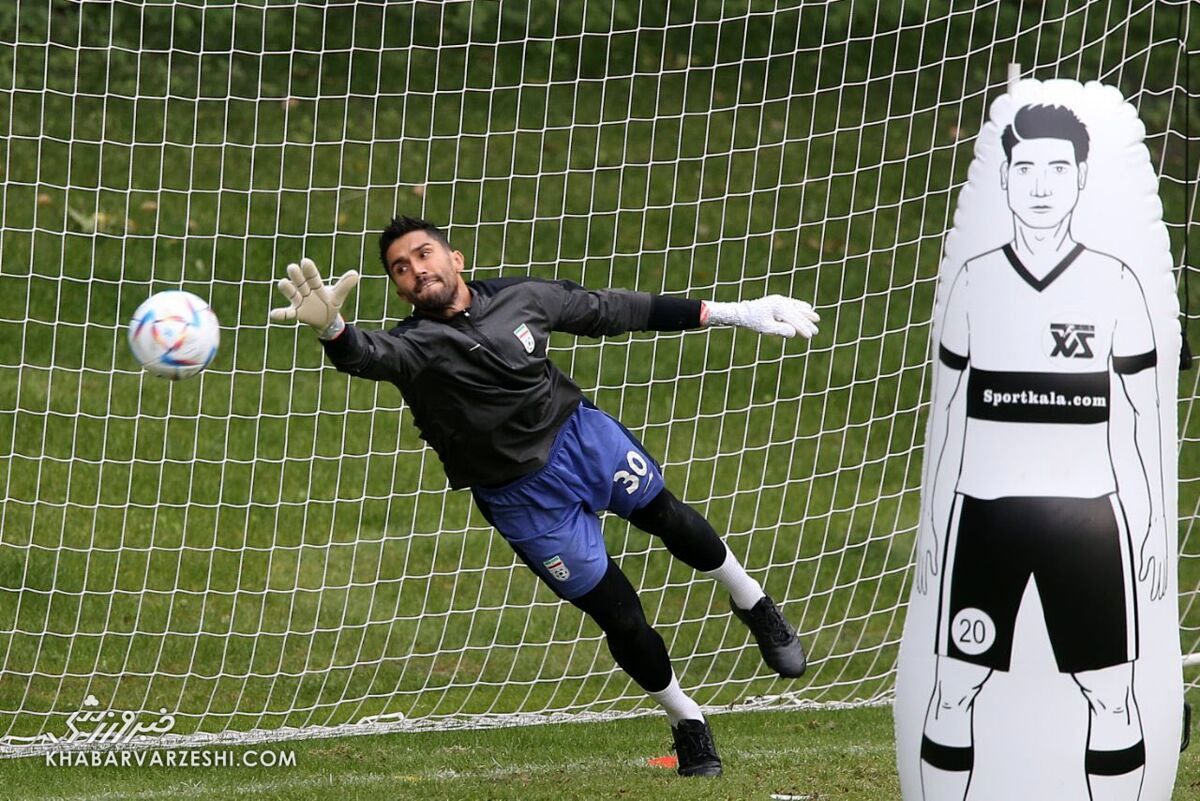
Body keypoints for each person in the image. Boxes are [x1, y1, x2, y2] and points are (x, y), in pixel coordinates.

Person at [269, 216, 820, 777]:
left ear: (455, 259)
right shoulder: (415, 345)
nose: (416, 270)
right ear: (399, 289)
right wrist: (332, 330)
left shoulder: (521, 297)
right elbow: (369, 355)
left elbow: (614, 309)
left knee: (670, 519)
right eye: (400, 268)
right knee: (621, 618)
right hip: (520, 498)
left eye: (423, 254)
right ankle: (688, 722)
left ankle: (753, 603)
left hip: (582, 439)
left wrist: (733, 312)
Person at [916, 104, 1167, 801]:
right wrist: (935, 526)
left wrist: (1149, 523)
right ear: (1004, 179)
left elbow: (1143, 419)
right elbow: (949, 421)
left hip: (1089, 521)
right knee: (954, 687)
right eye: (1025, 167)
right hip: (986, 521)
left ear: (1081, 178)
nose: (1041, 183)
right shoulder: (974, 281)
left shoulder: (1117, 283)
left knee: (1111, 693)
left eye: (1058, 167)